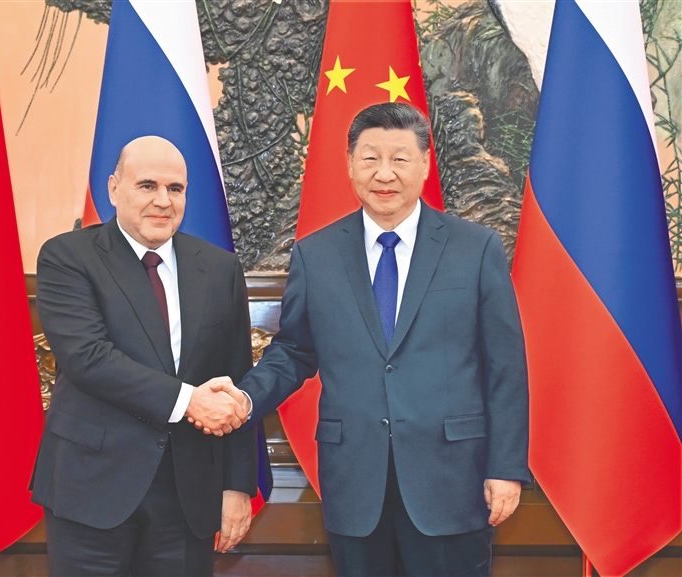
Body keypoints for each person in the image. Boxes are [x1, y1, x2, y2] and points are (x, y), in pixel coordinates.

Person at [202, 103, 530, 576]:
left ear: (425, 164)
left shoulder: (476, 249)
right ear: (350, 165)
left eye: (400, 158)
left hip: (452, 479)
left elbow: (505, 367)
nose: (385, 173)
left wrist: (505, 467)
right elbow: (294, 350)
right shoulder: (315, 254)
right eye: (370, 158)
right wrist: (244, 398)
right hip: (355, 481)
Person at [30, 135, 256, 577]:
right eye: (147, 185)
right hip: (92, 489)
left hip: (188, 496)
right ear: (114, 189)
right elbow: (89, 358)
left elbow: (236, 379)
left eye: (175, 188)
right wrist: (189, 400)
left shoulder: (220, 268)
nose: (163, 201)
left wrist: (236, 486)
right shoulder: (67, 257)